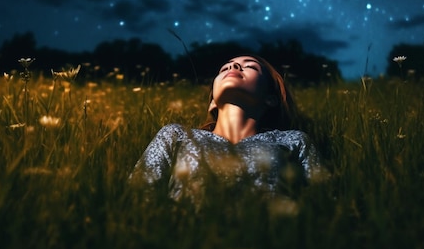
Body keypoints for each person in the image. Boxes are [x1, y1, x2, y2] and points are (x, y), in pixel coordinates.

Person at [129, 55, 328, 207]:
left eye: (250, 66)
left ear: (271, 99)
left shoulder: (292, 140)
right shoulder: (175, 135)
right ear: (213, 102)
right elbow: (139, 192)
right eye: (224, 68)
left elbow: (323, 201)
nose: (233, 67)